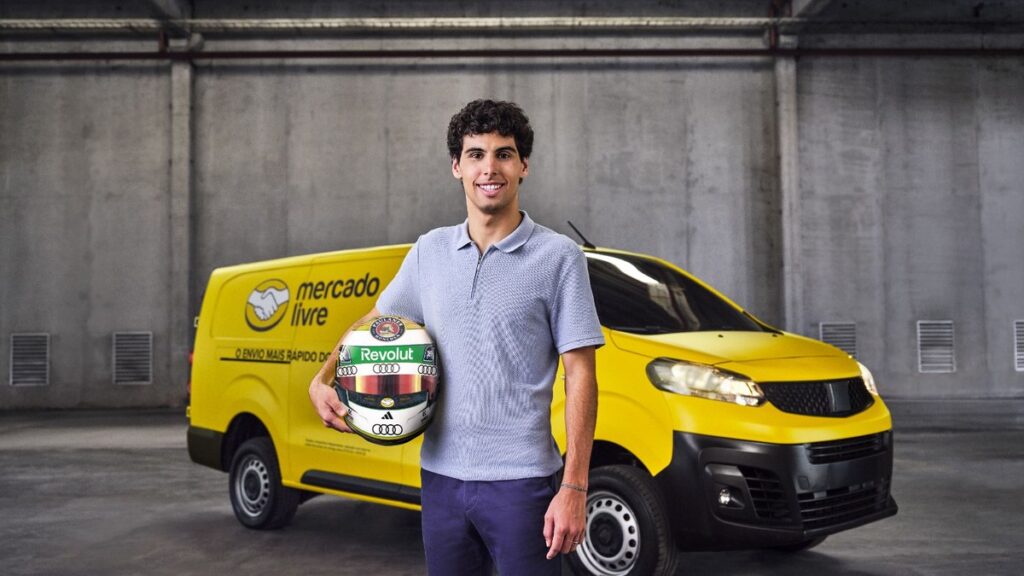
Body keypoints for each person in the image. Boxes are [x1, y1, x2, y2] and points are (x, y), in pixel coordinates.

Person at [308, 99, 604, 575]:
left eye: (504, 154)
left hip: (523, 484)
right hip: (441, 481)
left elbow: (581, 374)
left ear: (523, 165)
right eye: (476, 154)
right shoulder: (430, 251)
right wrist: (322, 379)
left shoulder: (559, 258)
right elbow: (374, 322)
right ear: (456, 166)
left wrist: (574, 486)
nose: (490, 168)